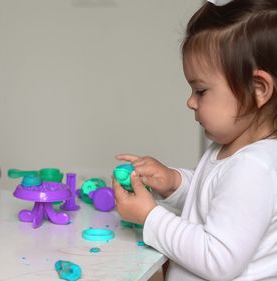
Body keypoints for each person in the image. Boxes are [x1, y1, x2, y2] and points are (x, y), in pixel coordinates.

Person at [113, 0, 277, 280]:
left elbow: (217, 259)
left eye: (201, 91)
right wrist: (174, 181)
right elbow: (217, 201)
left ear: (258, 89)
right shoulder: (232, 149)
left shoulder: (254, 168)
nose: (190, 102)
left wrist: (149, 216)